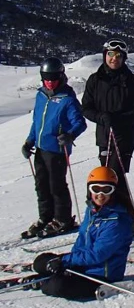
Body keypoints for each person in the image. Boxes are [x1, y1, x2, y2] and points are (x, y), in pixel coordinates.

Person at [32, 166, 134, 300]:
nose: (100, 194)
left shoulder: (117, 221)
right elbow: (82, 241)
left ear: (113, 192)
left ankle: (49, 280)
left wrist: (65, 261)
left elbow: (97, 255)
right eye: (96, 189)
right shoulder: (92, 211)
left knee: (56, 286)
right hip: (82, 269)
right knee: (40, 261)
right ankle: (51, 275)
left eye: (106, 190)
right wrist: (66, 263)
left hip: (100, 277)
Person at [81, 38, 134, 228]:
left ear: (124, 58)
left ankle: (127, 218)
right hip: (103, 136)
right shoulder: (95, 79)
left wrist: (118, 119)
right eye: (111, 54)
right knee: (107, 177)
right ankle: (115, 215)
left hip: (124, 136)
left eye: (118, 56)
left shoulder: (131, 81)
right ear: (104, 55)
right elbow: (86, 107)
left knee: (115, 176)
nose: (114, 59)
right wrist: (101, 117)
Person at [21, 57, 87, 239]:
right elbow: (37, 122)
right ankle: (46, 217)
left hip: (57, 150)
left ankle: (63, 219)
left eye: (53, 78)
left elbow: (80, 123)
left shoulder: (67, 98)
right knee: (41, 185)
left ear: (61, 76)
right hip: (41, 148)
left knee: (56, 185)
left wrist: (70, 135)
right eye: (46, 78)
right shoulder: (41, 95)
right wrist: (29, 141)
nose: (50, 82)